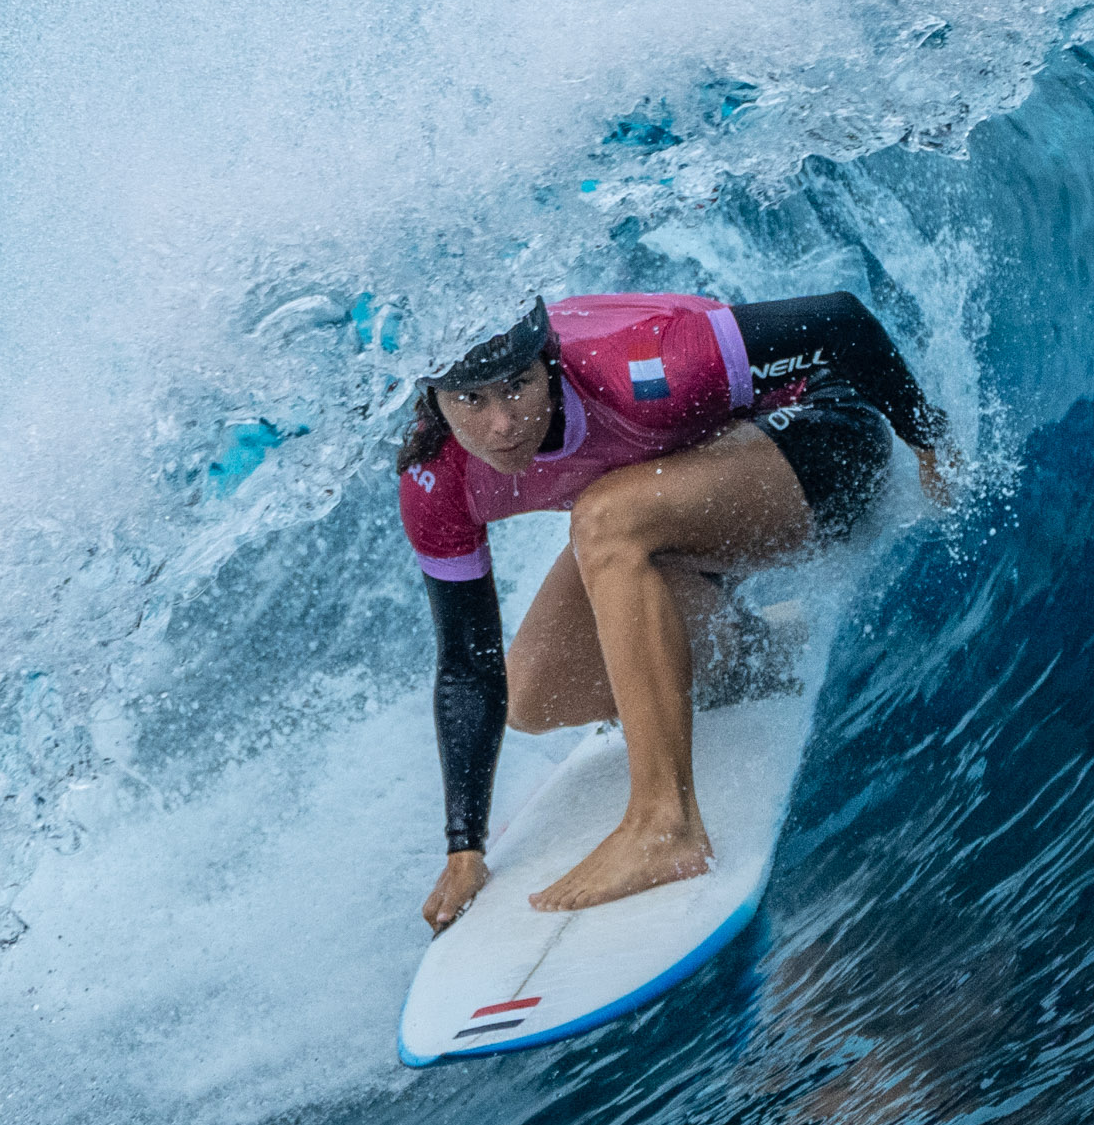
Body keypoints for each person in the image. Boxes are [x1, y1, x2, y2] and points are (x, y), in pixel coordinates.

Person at [404, 290, 953, 930]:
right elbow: (470, 663)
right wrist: (464, 846)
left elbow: (841, 319)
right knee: (530, 694)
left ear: (547, 361)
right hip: (682, 498)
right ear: (434, 399)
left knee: (605, 520)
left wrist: (933, 445)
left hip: (820, 440)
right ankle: (747, 652)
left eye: (519, 386)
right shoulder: (435, 478)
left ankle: (666, 824)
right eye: (472, 400)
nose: (502, 423)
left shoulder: (642, 362)